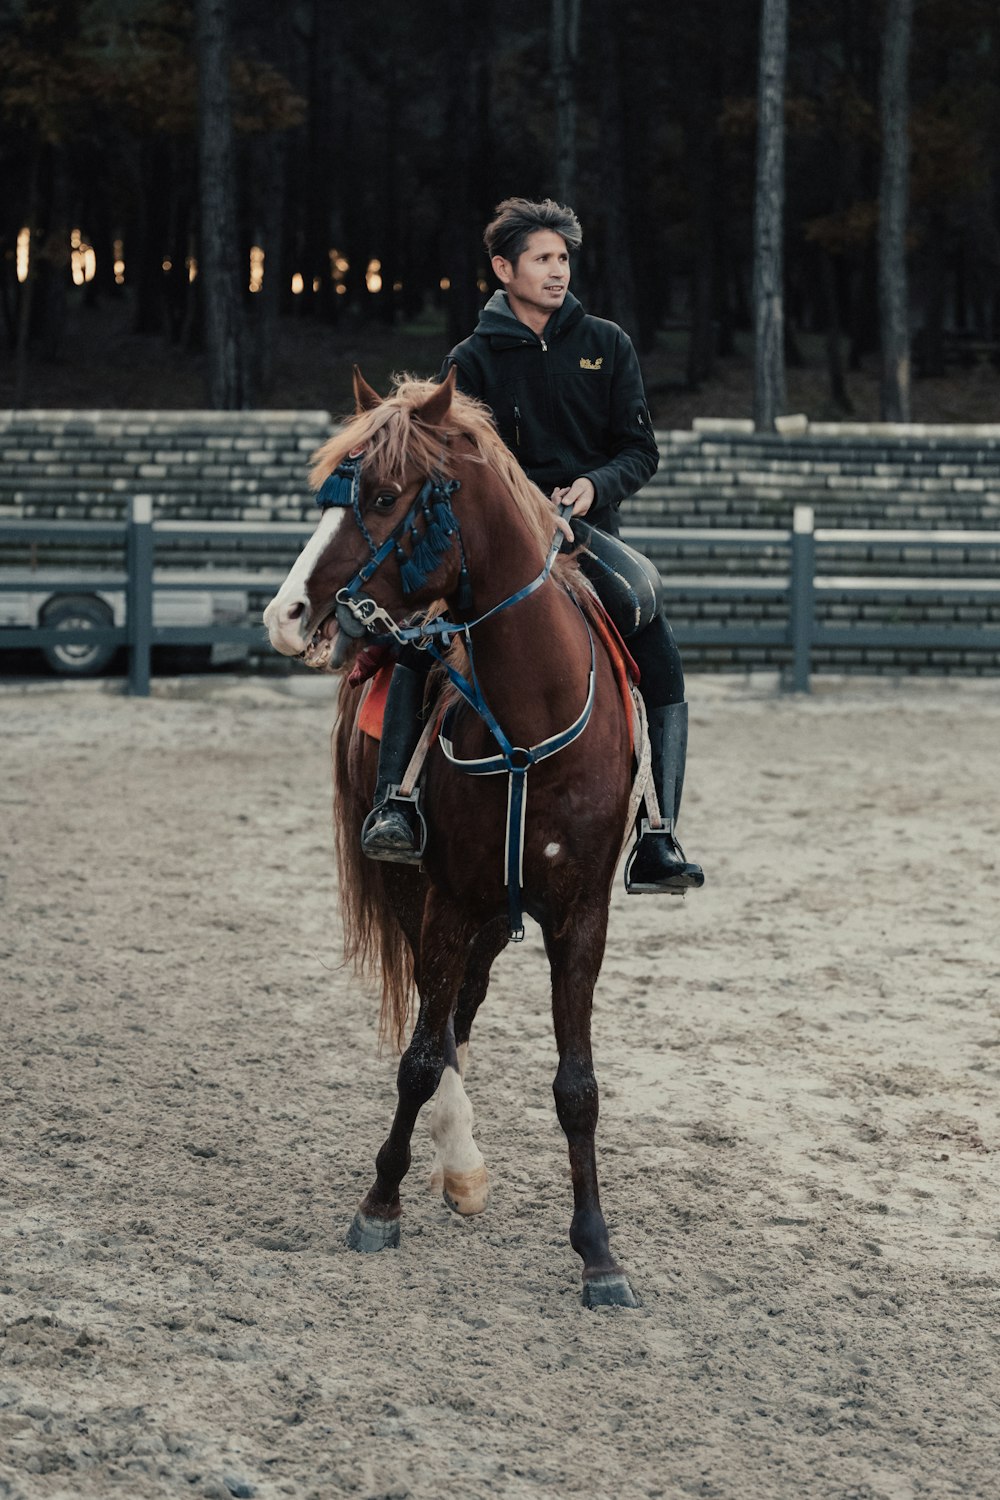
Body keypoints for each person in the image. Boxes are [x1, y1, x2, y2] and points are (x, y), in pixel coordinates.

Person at [361, 197, 704, 895]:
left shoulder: (608, 344)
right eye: (543, 259)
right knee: (415, 642)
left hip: (588, 534)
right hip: (495, 540)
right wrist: (523, 507)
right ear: (503, 268)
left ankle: (660, 833)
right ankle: (394, 804)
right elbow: (461, 458)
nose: (557, 272)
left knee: (655, 634)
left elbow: (640, 450)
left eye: (563, 259)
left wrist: (592, 486)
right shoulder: (471, 357)